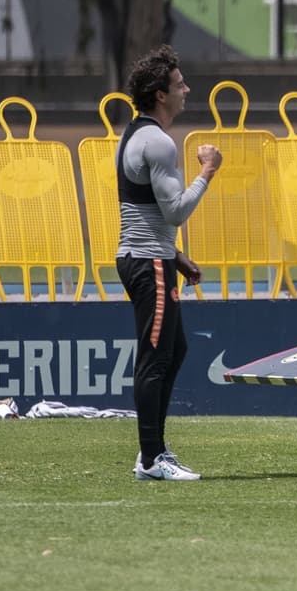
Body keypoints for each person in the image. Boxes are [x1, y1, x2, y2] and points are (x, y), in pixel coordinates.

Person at [116, 45, 222, 481]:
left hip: (151, 258)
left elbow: (143, 210)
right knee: (155, 359)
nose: (187, 90)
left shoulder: (136, 134)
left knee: (173, 350)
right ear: (160, 94)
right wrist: (208, 170)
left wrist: (176, 256)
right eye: (179, 84)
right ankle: (150, 458)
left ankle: (153, 451)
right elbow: (176, 211)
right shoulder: (157, 142)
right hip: (147, 263)